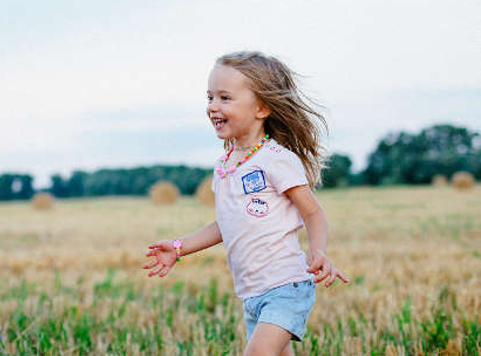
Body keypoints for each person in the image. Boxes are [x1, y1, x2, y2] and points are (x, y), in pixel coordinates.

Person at [141, 51, 349, 356]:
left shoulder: (277, 160)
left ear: (262, 107)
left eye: (225, 98)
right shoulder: (225, 165)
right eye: (210, 97)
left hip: (286, 286)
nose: (213, 106)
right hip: (252, 293)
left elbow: (313, 212)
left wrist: (317, 251)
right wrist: (179, 247)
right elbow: (225, 222)